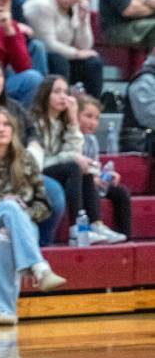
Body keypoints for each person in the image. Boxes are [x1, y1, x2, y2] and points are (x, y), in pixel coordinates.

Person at [0, 108, 66, 326]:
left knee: (6, 234)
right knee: (8, 208)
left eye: (6, 125)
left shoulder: (26, 159)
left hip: (24, 223)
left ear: (13, 129)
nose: (1, 129)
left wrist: (21, 213)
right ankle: (39, 268)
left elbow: (44, 205)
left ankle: (3, 310)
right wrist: (1, 205)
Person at [0, 59, 66, 245]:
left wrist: (35, 144)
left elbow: (32, 131)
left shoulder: (14, 107)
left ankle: (43, 245)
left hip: (19, 171)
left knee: (55, 194)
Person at [31, 76, 108, 243]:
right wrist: (71, 157)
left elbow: (75, 151)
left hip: (57, 169)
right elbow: (39, 161)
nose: (62, 97)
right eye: (56, 92)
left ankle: (95, 224)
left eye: (65, 92)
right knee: (74, 167)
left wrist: (73, 119)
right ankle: (77, 228)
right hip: (36, 172)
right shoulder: (35, 122)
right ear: (45, 94)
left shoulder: (63, 121)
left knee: (84, 171)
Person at [23, 0, 103, 97]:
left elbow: (85, 46)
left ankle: (91, 109)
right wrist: (77, 53)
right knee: (58, 60)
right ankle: (60, 104)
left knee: (93, 63)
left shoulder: (77, 7)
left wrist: (83, 21)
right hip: (37, 58)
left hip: (64, 57)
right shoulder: (42, 5)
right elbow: (49, 45)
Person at [77, 95, 130, 241]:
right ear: (75, 116)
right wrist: (95, 178)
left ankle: (125, 237)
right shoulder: (71, 138)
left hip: (91, 182)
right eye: (88, 116)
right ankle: (89, 228)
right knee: (87, 182)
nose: (93, 122)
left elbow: (94, 168)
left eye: (96, 118)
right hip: (76, 183)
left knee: (121, 192)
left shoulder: (92, 140)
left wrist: (107, 175)